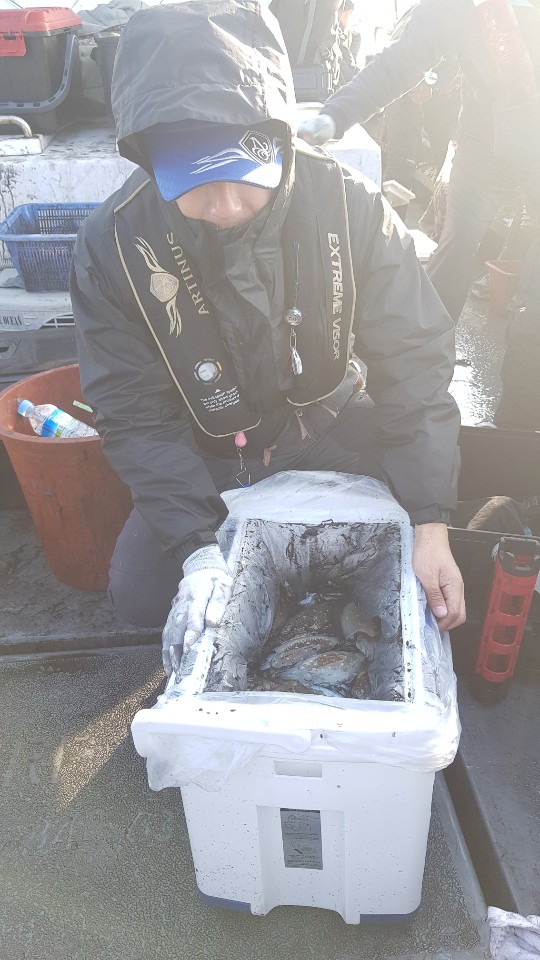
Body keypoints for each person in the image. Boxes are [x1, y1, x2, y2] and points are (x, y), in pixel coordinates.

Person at [71, 0, 465, 674]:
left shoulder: (348, 203)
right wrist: (196, 551)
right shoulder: (112, 244)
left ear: (277, 139)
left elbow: (415, 359)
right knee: (140, 594)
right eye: (196, 182)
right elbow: (133, 414)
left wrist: (431, 521)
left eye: (244, 176)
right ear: (151, 158)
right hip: (211, 450)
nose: (225, 206)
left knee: (426, 563)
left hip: (332, 421)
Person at [299, 0, 540, 430]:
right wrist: (336, 115)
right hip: (483, 145)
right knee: (457, 245)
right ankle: (415, 386)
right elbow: (406, 57)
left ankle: (517, 431)